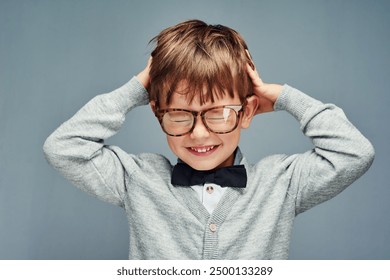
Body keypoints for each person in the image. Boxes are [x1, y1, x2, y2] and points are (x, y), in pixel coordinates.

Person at [43, 19, 374, 259]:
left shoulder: (281, 183)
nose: (199, 133)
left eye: (218, 113)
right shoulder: (138, 179)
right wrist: (137, 89)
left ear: (246, 113)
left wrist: (283, 96)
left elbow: (354, 153)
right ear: (158, 113)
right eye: (179, 114)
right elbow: (64, 147)